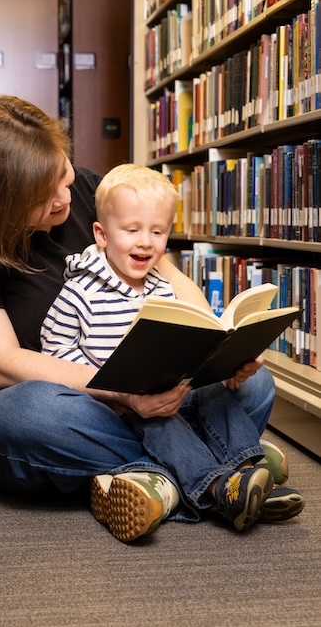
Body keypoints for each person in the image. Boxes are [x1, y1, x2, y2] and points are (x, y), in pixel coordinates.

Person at [0, 94, 304, 544]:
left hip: (147, 388)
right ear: (0, 204)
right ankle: (225, 464)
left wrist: (216, 344)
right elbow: (1, 364)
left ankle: (156, 482)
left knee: (255, 383)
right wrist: (121, 392)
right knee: (28, 414)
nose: (67, 197)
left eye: (64, 175)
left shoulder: (89, 192)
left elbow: (168, 275)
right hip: (47, 401)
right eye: (46, 196)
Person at [40, 161, 305, 536]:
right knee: (161, 424)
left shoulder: (160, 287)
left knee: (215, 392)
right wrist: (107, 385)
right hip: (119, 406)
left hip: (175, 388)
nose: (146, 241)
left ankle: (248, 475)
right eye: (132, 230)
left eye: (158, 231)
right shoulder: (80, 292)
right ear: (101, 234)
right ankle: (218, 489)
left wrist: (224, 356)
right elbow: (54, 349)